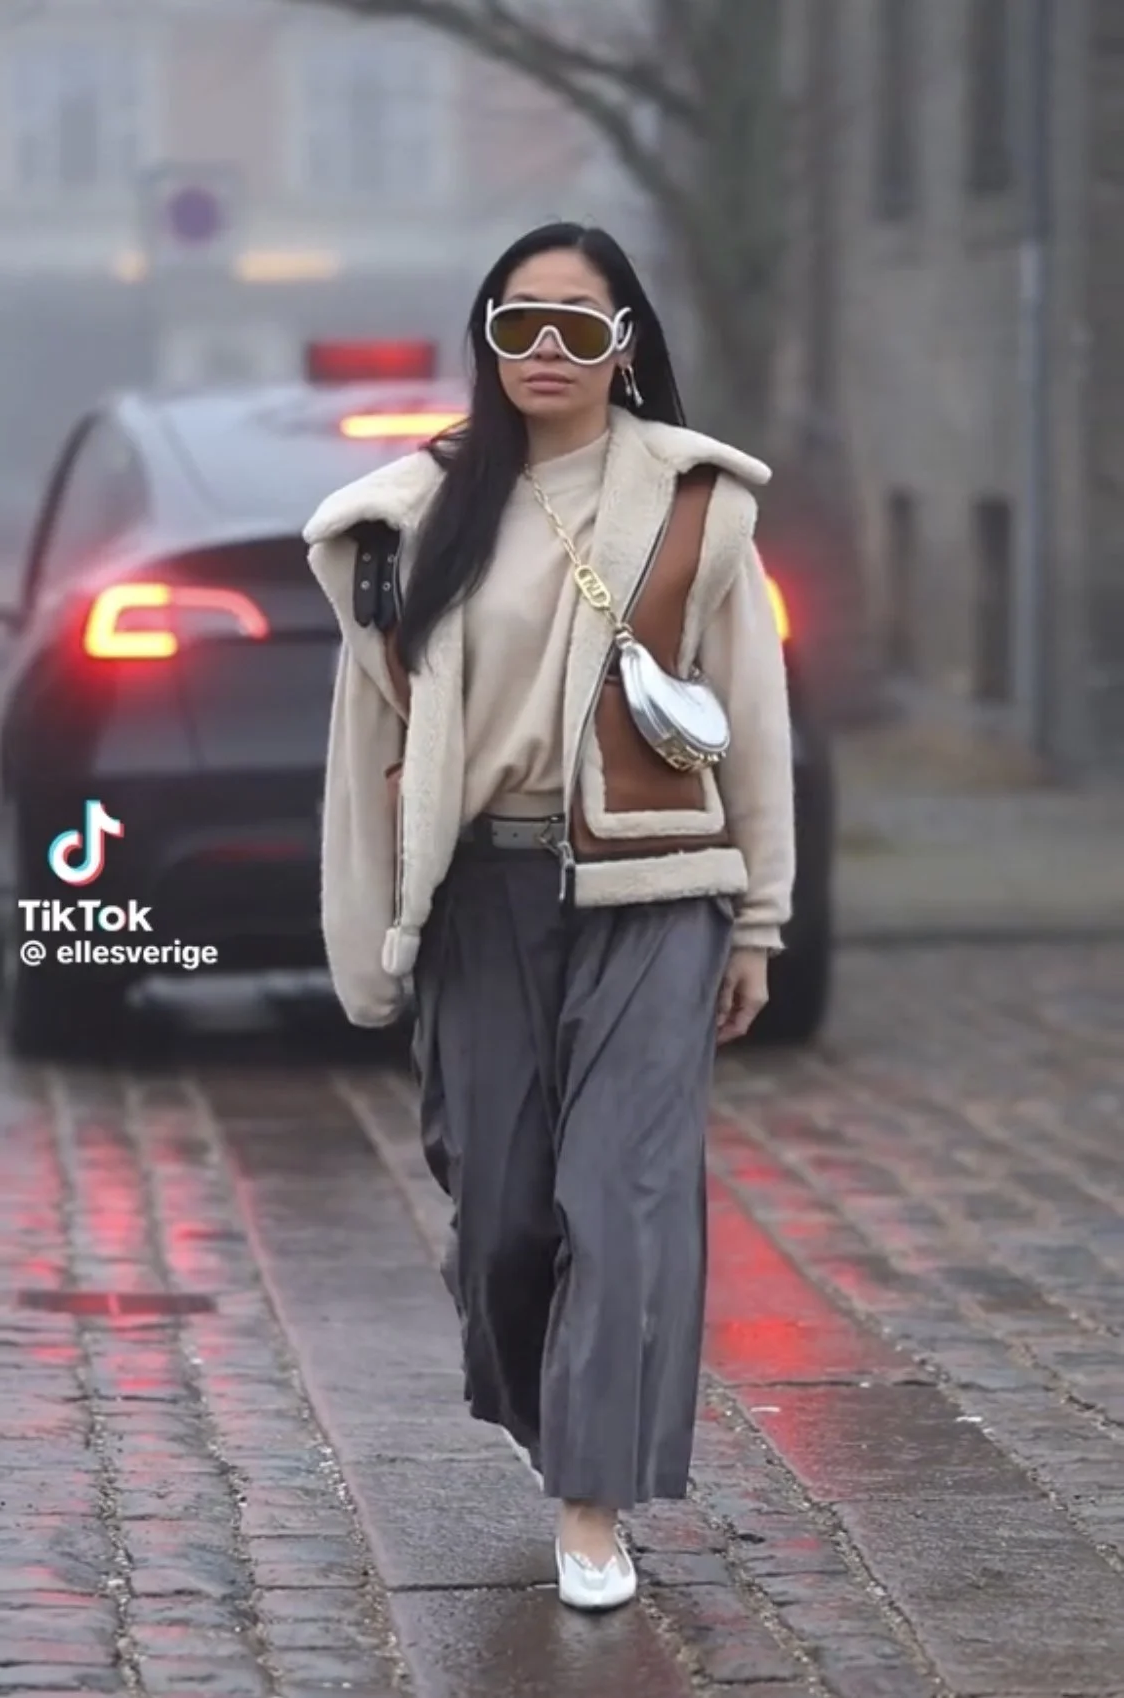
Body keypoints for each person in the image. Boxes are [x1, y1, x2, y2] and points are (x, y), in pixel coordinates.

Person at [304, 221, 795, 1613]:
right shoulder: (414, 514)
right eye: (520, 324)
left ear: (624, 343)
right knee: (506, 1213)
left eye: (579, 326)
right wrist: (368, 938)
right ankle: (552, 1411)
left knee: (623, 1198)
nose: (548, 351)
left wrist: (759, 920)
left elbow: (752, 718)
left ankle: (593, 1502)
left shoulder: (697, 502)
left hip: (659, 888)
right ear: (488, 338)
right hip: (484, 894)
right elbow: (370, 747)